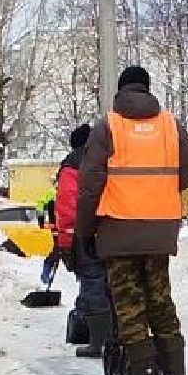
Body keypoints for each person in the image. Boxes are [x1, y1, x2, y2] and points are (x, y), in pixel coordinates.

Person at [75, 66, 188, 375]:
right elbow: (186, 173)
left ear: (121, 90)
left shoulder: (108, 126)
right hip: (160, 228)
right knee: (160, 299)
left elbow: (89, 186)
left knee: (129, 304)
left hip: (118, 228)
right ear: (147, 90)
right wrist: (156, 192)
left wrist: (85, 232)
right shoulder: (171, 125)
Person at [53, 123, 113, 358]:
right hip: (115, 231)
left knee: (93, 283)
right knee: (113, 283)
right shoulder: (109, 159)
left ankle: (98, 342)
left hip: (84, 234)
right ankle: (118, 336)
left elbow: (68, 208)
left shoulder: (72, 165)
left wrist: (65, 244)